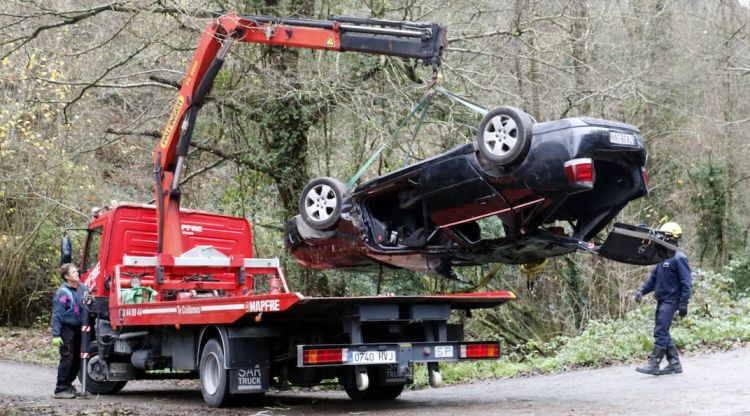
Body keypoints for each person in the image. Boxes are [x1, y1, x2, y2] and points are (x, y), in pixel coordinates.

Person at [634, 222, 692, 375]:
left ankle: (654, 363)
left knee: (660, 331)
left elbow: (687, 283)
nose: (658, 238)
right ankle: (674, 363)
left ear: (670, 238)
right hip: (661, 299)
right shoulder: (661, 257)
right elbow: (653, 279)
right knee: (662, 331)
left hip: (671, 301)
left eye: (662, 235)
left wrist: (683, 303)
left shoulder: (679, 258)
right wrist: (641, 291)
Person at [51, 263, 89, 398]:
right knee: (68, 358)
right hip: (66, 330)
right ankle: (60, 389)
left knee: (77, 360)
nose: (77, 273)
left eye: (76, 271)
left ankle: (68, 386)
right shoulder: (63, 293)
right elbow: (57, 315)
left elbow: (91, 304)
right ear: (67, 276)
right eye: (73, 272)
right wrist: (56, 334)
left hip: (80, 330)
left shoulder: (83, 288)